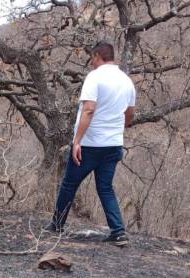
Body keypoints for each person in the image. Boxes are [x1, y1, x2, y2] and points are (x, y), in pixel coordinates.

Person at [46, 41, 136, 246]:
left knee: (69, 183)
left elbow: (88, 109)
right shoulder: (126, 81)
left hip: (90, 144)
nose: (91, 63)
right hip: (113, 144)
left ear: (97, 56)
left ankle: (57, 224)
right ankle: (118, 232)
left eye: (92, 58)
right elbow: (130, 113)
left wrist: (77, 141)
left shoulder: (95, 77)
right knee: (105, 187)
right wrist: (121, 127)